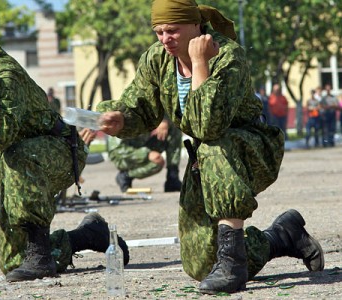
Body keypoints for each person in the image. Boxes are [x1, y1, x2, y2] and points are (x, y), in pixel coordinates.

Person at [96, 0, 324, 294]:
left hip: (248, 149)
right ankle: (283, 236)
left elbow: (208, 126)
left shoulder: (228, 55)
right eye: (159, 32)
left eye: (173, 31)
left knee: (214, 144)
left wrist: (200, 63)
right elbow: (140, 107)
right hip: (206, 160)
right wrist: (121, 119)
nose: (165, 39)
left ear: (195, 25)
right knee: (201, 265)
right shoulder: (157, 59)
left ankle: (233, 268)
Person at [0, 31, 129, 282]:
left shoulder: (5, 77)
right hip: (25, 162)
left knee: (18, 153)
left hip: (60, 151)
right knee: (12, 262)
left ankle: (41, 258)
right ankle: (89, 235)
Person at [109, 118, 183, 192]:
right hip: (124, 156)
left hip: (143, 145)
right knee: (157, 161)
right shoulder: (124, 114)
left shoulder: (145, 109)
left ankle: (173, 177)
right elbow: (117, 151)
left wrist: (164, 121)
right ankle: (125, 176)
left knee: (173, 128)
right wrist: (147, 153)